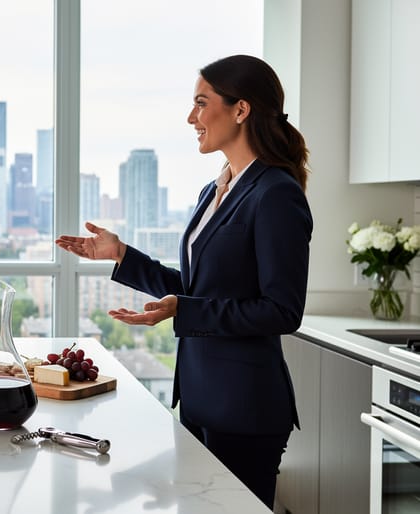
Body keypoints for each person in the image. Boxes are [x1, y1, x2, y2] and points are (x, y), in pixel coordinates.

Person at [56, 54, 312, 509]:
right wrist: (121, 255)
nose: (191, 117)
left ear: (241, 109)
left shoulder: (276, 193)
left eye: (201, 103)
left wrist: (185, 310)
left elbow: (282, 310)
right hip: (197, 397)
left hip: (245, 408)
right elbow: (196, 286)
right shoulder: (213, 190)